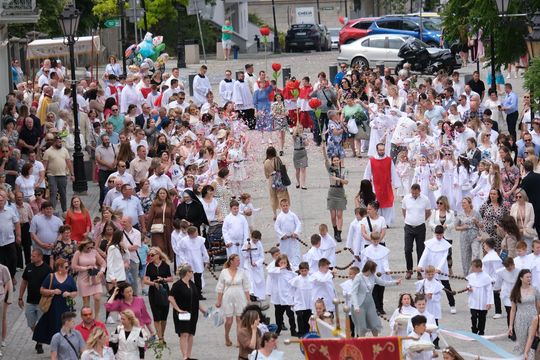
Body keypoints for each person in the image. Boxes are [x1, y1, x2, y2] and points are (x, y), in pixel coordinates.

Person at [32, 258, 78, 345]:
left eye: (68, 267)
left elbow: (75, 292)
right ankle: (49, 345)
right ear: (59, 268)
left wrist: (69, 294)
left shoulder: (70, 278)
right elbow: (42, 290)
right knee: (52, 326)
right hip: (52, 307)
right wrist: (53, 291)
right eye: (66, 267)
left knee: (65, 326)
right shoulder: (51, 276)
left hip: (65, 307)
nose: (68, 269)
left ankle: (63, 346)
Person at [351, 260, 401, 337]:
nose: (374, 272)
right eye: (374, 269)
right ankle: (361, 342)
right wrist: (356, 306)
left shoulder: (373, 276)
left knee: (375, 324)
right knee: (362, 326)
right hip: (360, 303)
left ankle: (376, 340)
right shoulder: (358, 277)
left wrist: (395, 282)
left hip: (370, 302)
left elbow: (383, 282)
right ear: (369, 269)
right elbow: (353, 292)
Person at [169, 264, 207, 360]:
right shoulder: (177, 285)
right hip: (182, 313)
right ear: (187, 273)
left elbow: (196, 299)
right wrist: (178, 309)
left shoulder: (192, 284)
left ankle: (189, 355)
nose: (192, 273)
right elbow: (170, 297)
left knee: (190, 333)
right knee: (184, 333)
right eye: (191, 271)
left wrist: (203, 311)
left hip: (193, 312)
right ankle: (184, 356)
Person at [18, 248, 51, 354]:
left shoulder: (47, 269)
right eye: (31, 255)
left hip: (42, 301)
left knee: (41, 323)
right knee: (31, 323)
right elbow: (24, 282)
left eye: (34, 256)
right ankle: (39, 337)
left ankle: (39, 343)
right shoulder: (28, 267)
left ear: (40, 257)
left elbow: (51, 284)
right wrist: (20, 297)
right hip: (30, 301)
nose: (31, 257)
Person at [216, 254, 251, 347]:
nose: (239, 262)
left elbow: (246, 287)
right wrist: (218, 300)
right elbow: (220, 287)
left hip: (240, 295)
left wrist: (249, 300)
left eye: (239, 260)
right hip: (228, 296)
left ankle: (239, 340)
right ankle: (226, 336)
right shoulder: (224, 272)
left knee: (239, 319)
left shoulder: (242, 272)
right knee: (229, 321)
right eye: (237, 260)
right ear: (231, 261)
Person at [364, 143, 399, 226]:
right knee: (377, 203)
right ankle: (378, 221)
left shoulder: (389, 160)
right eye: (380, 150)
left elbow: (393, 172)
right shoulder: (372, 160)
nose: (382, 151)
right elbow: (368, 173)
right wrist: (365, 184)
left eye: (383, 150)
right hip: (376, 185)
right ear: (377, 150)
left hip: (387, 185)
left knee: (388, 203)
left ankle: (387, 222)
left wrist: (396, 184)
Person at [143, 247, 173, 343]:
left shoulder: (165, 265)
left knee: (164, 316)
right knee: (156, 315)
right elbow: (145, 280)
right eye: (149, 255)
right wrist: (153, 283)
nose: (150, 257)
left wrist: (163, 279)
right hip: (153, 292)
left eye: (152, 255)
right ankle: (160, 338)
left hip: (164, 291)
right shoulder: (149, 266)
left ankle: (162, 335)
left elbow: (171, 278)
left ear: (158, 255)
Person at [402, 184, 432, 280]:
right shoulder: (406, 198)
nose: (414, 194)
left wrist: (422, 219)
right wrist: (408, 219)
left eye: (416, 193)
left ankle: (419, 271)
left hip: (420, 227)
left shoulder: (425, 199)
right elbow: (404, 210)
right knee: (407, 249)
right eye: (413, 193)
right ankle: (409, 269)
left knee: (420, 250)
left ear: (419, 191)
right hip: (409, 226)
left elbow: (428, 212)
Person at [71, 239, 106, 320]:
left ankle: (96, 317)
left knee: (97, 298)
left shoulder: (94, 252)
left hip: (94, 277)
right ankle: (87, 318)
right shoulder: (78, 253)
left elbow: (103, 262)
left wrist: (102, 271)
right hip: (83, 278)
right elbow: (73, 266)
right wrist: (85, 268)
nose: (90, 249)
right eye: (88, 248)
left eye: (91, 247)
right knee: (86, 303)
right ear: (83, 246)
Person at [509, 269, 540, 357]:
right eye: (527, 277)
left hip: (533, 319)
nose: (529, 278)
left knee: (531, 343)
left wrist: (538, 320)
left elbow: (538, 307)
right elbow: (513, 310)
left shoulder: (535, 290)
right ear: (521, 278)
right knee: (522, 344)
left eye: (530, 277)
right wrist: (510, 325)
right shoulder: (516, 291)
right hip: (520, 320)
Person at [321, 142, 349, 242]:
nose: (336, 161)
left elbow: (346, 181)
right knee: (333, 215)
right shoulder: (330, 169)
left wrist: (338, 179)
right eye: (334, 160)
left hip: (340, 192)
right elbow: (325, 159)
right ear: (332, 161)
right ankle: (335, 229)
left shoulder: (344, 170)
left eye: (338, 160)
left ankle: (339, 233)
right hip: (332, 192)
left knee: (339, 215)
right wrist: (324, 149)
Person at [42, 136, 73, 213]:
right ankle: (52, 210)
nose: (60, 143)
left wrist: (72, 174)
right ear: (54, 142)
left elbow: (69, 163)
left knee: (63, 193)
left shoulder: (65, 150)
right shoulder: (48, 151)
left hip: (62, 175)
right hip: (51, 175)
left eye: (61, 142)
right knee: (53, 192)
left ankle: (64, 211)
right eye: (59, 142)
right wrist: (42, 176)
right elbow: (44, 165)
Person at [455, 197, 482, 276]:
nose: (463, 204)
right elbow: (456, 227)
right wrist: (463, 227)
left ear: (469, 203)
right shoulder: (460, 214)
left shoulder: (476, 213)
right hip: (464, 237)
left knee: (476, 254)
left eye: (464, 202)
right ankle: (467, 274)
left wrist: (476, 221)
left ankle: (474, 272)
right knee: (465, 256)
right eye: (462, 203)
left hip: (475, 237)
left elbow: (481, 225)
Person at [467, 259, 493, 336]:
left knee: (482, 317)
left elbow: (489, 291)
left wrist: (489, 302)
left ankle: (481, 331)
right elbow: (469, 284)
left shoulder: (486, 277)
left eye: (473, 267)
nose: (472, 269)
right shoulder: (471, 276)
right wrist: (468, 288)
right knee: (473, 316)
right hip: (474, 300)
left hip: (483, 301)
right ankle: (474, 330)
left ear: (479, 267)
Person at [146, 187, 174, 259]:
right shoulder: (154, 204)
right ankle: (159, 259)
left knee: (168, 243)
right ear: (158, 194)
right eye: (160, 193)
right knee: (159, 245)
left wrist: (175, 227)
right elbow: (150, 217)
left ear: (166, 194)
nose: (162, 195)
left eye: (164, 193)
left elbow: (173, 216)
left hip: (168, 227)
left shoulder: (170, 204)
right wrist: (147, 229)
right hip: (157, 228)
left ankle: (167, 260)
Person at [263, 147, 290, 220]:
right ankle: (283, 210)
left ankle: (275, 214)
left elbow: (266, 175)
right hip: (280, 179)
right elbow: (285, 169)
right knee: (282, 196)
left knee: (273, 197)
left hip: (272, 181)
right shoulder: (278, 159)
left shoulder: (266, 162)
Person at [274, 198, 302, 267]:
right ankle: (286, 266)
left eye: (286, 205)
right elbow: (276, 227)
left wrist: (296, 233)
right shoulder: (279, 217)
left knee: (295, 253)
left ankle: (296, 267)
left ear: (289, 205)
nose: (285, 207)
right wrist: (282, 235)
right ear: (281, 207)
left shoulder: (293, 215)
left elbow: (298, 224)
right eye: (283, 206)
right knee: (285, 253)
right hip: (285, 240)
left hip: (293, 239)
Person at [0, 189, 21, 278]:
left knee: (13, 260)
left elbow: (17, 222)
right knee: (1, 263)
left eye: (2, 198)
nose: (1, 200)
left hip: (9, 240)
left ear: (6, 199)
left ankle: (11, 277)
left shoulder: (10, 210)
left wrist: (18, 235)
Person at [223, 199, 250, 267]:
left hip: (241, 243)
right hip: (232, 244)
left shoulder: (242, 218)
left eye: (237, 208)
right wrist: (228, 241)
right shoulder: (227, 218)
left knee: (241, 261)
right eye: (234, 209)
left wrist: (246, 242)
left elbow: (246, 230)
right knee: (233, 261)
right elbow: (225, 230)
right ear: (230, 209)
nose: (236, 210)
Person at [520, 160, 540, 239]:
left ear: (524, 168)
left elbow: (522, 192)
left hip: (533, 205)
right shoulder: (539, 176)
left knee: (535, 224)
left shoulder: (526, 179)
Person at [292, 124, 308, 189]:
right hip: (296, 152)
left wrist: (304, 139)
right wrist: (295, 130)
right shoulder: (295, 136)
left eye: (302, 128)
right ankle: (298, 182)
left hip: (303, 152)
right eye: (299, 128)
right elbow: (293, 135)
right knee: (297, 170)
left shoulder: (304, 136)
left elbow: (307, 144)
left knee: (303, 169)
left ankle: (303, 184)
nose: (301, 129)